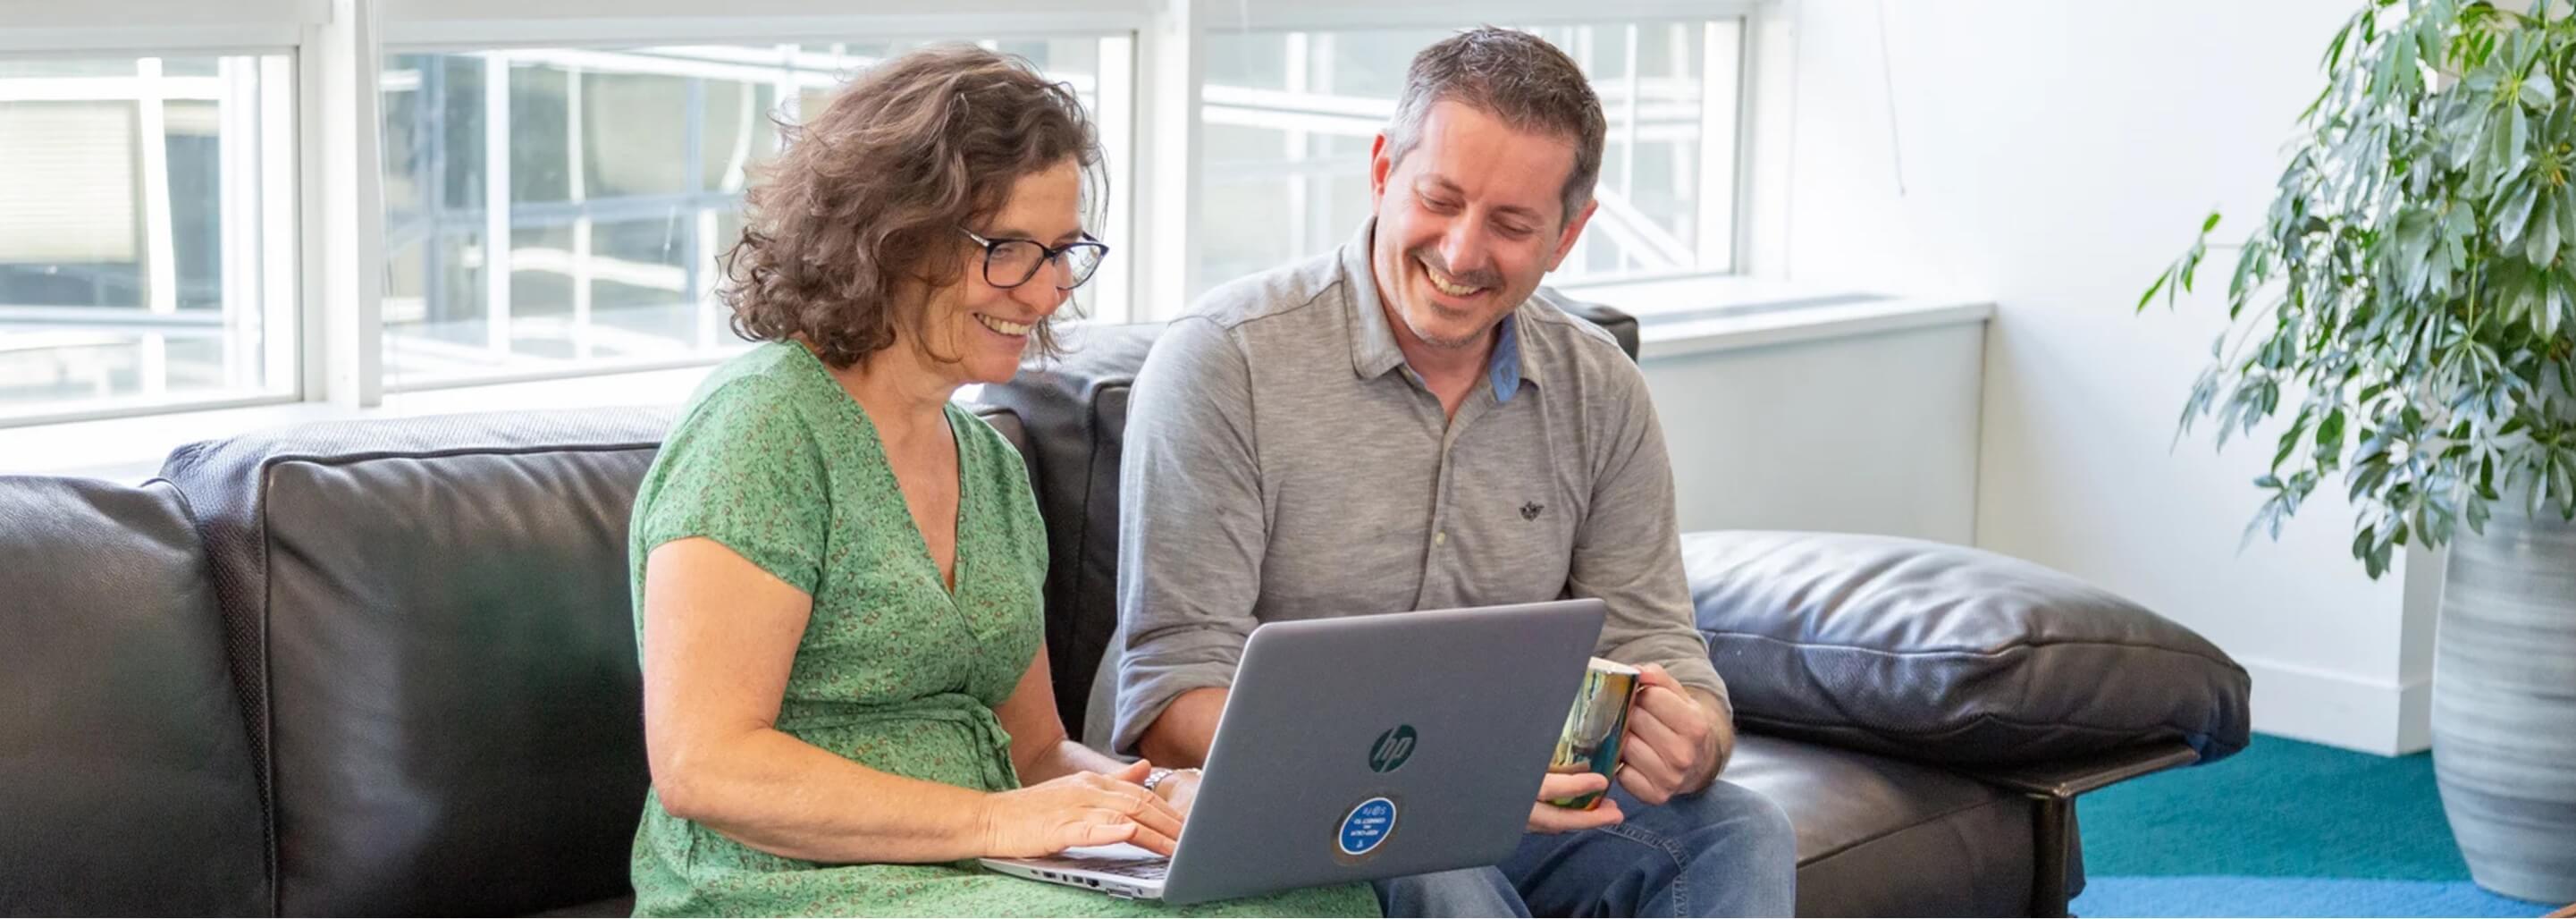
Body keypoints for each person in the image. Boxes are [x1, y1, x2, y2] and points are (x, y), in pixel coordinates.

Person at [625, 45, 1376, 917]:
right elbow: (704, 765)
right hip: (776, 881)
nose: (1048, 290)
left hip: (971, 871)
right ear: (889, 235)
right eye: (1010, 249)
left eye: (1064, 252)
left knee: (1312, 889)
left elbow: (1037, 750)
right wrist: (991, 821)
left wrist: (1163, 799)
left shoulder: (987, 464)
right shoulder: (762, 427)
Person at [1114, 28, 1799, 917]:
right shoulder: (1222, 362)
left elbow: (1659, 646)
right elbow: (1171, 692)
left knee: (1740, 830)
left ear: (1568, 232)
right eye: (1438, 199)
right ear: (1379, 171)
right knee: (1438, 867)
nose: (1461, 251)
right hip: (1294, 802)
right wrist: (1436, 784)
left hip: (1513, 804)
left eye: (1512, 224)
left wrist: (1694, 734)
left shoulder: (1598, 387)